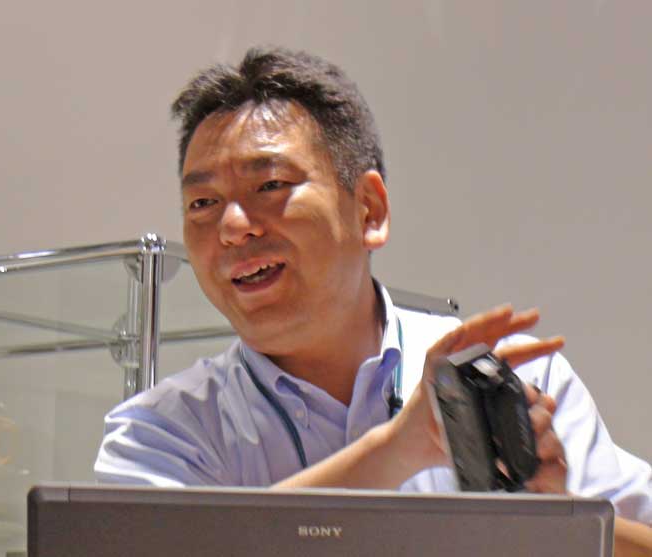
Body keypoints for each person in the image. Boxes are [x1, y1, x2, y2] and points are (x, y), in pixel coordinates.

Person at [95, 47, 652, 553]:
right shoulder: (160, 434)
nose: (233, 227)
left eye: (269, 186)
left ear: (370, 209)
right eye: (202, 203)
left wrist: (560, 526)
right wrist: (396, 450)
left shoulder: (516, 378)